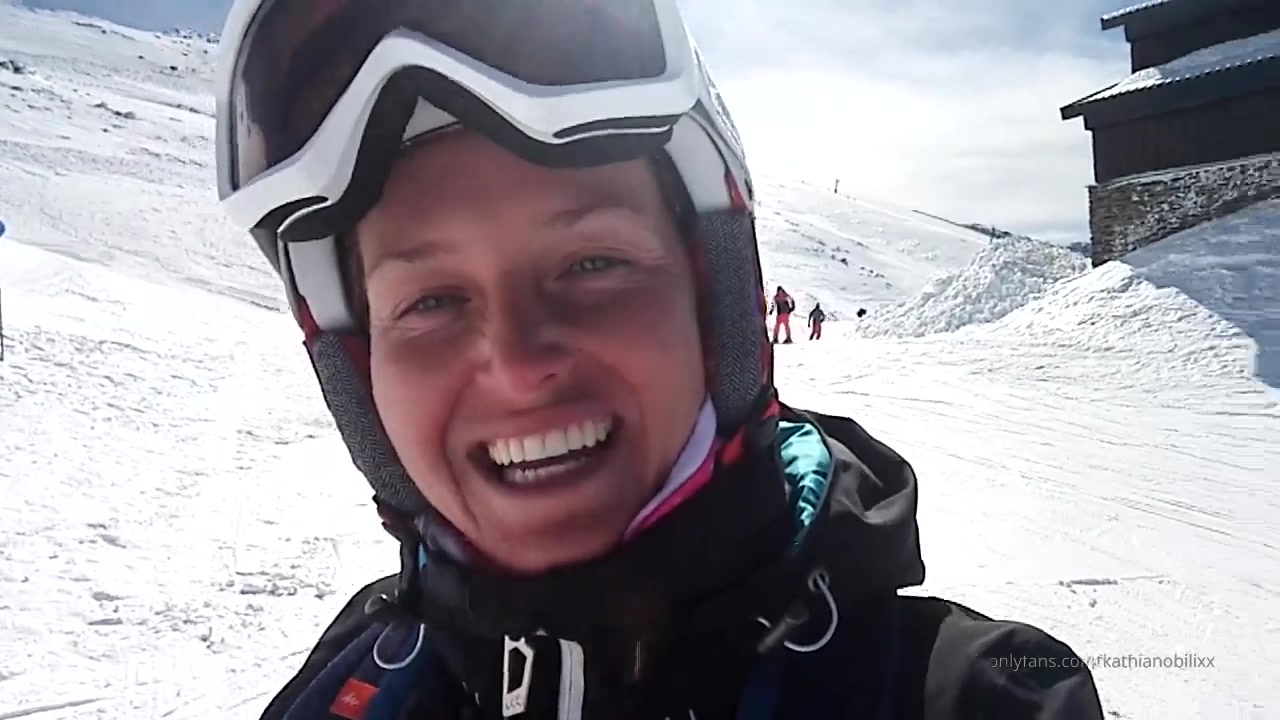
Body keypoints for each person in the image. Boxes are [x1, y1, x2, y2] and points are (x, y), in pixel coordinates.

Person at [213, 0, 1104, 717]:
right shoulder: (354, 680)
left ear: (714, 305)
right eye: (430, 303)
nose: (517, 367)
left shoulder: (978, 696)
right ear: (356, 372)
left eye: (592, 264)